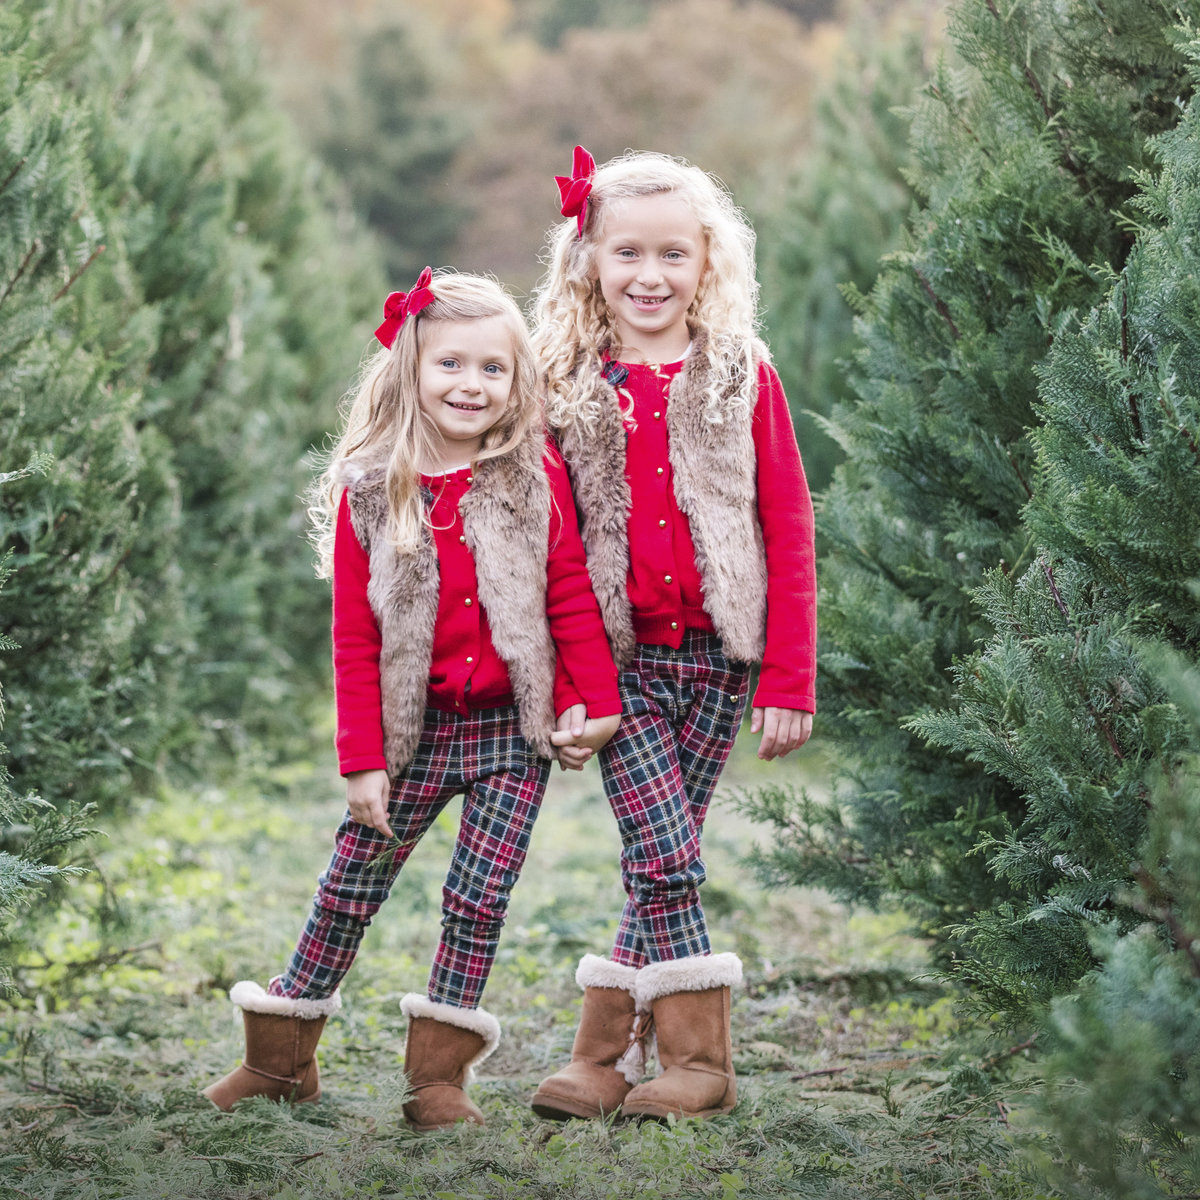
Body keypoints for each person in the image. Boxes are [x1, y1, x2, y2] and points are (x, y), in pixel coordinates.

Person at [201, 270, 620, 1132]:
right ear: (410, 370)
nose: (472, 385)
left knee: (478, 896)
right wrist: (361, 760)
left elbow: (570, 593)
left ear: (517, 382)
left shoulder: (528, 473)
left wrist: (594, 698)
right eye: (451, 365)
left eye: (493, 370)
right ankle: (279, 1060)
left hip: (512, 733)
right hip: (414, 736)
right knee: (349, 885)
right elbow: (354, 639)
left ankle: (437, 1080)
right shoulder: (372, 486)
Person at [528, 147, 816, 1122]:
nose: (649, 277)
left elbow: (789, 523)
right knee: (665, 853)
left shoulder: (741, 374)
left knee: (664, 853)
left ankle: (605, 1059)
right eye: (627, 255)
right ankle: (701, 1067)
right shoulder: (564, 383)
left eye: (672, 256)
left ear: (707, 264)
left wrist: (789, 675)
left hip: (722, 659)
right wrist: (562, 682)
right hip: (617, 666)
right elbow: (545, 544)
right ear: (589, 262)